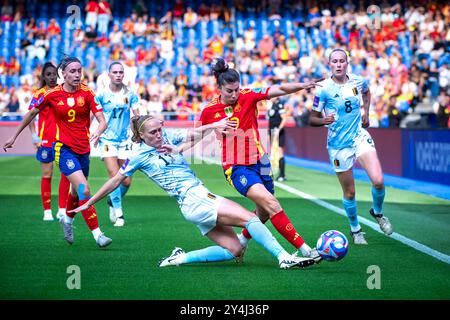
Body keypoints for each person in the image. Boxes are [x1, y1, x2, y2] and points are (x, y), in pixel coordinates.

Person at [69, 115, 315, 269]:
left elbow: (193, 133)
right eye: (153, 132)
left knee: (235, 250)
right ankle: (284, 257)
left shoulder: (167, 137)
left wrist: (216, 124)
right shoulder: (139, 155)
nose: (159, 134)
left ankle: (180, 258)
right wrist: (90, 202)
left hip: (191, 205)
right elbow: (115, 181)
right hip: (193, 197)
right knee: (249, 219)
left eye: (160, 129)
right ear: (141, 135)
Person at [197, 58, 323, 263]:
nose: (234, 94)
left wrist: (301, 85)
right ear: (219, 88)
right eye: (229, 91)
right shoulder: (209, 111)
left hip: (261, 163)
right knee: (272, 203)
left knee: (264, 211)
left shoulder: (248, 96)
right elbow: (196, 134)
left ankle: (242, 242)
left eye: (237, 89)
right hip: (237, 168)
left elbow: (279, 89)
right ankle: (307, 250)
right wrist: (177, 148)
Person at [3, 56, 112, 248]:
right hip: (63, 149)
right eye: (72, 71)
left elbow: (102, 120)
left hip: (83, 149)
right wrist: (14, 136)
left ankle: (67, 221)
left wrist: (98, 131)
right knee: (84, 188)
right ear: (63, 74)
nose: (77, 74)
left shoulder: (87, 93)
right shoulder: (52, 95)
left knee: (76, 193)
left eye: (79, 70)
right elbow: (31, 113)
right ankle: (98, 234)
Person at [309, 48, 393, 244]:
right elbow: (312, 118)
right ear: (329, 64)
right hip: (338, 146)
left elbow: (367, 92)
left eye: (341, 61)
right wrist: (324, 121)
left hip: (358, 136)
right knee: (350, 192)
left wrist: (366, 113)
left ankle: (378, 213)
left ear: (347, 63)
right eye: (334, 61)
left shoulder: (357, 80)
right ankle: (355, 229)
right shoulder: (323, 89)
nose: (338, 64)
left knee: (379, 180)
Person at [95, 61, 139, 227]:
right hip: (107, 140)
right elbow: (94, 115)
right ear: (109, 75)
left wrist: (138, 132)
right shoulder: (101, 95)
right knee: (115, 176)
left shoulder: (131, 94)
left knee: (126, 181)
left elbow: (136, 115)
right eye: (115, 72)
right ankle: (119, 215)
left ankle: (112, 200)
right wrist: (90, 133)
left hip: (125, 140)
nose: (118, 75)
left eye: (121, 72)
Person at [28, 62, 71, 221]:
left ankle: (62, 209)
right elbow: (31, 116)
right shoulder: (39, 94)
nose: (52, 77)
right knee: (47, 175)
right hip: (45, 141)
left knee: (66, 174)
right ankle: (47, 211)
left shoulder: (63, 92)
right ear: (43, 77)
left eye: (54, 74)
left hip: (62, 140)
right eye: (48, 74)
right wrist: (34, 135)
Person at [267, 96, 288, 182]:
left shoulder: (279, 105)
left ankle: (282, 175)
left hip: (278, 132)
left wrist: (278, 130)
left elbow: (284, 118)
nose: (270, 97)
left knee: (280, 152)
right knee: (270, 152)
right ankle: (268, 173)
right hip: (271, 131)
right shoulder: (271, 105)